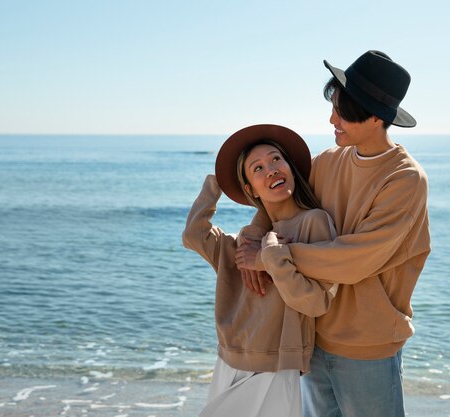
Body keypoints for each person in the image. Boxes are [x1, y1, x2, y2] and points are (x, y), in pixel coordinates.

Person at [236, 50, 431, 417]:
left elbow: (353, 260)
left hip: (367, 345)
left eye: (342, 112)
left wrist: (269, 258)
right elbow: (279, 202)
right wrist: (253, 237)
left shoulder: (404, 179)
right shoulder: (327, 161)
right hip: (312, 334)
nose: (332, 119)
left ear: (375, 117)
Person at [182, 124, 339, 417]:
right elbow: (193, 235)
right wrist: (217, 182)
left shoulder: (313, 223)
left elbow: (315, 302)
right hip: (229, 361)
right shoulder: (242, 243)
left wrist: (270, 258)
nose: (271, 170)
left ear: (291, 167)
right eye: (258, 168)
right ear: (249, 189)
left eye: (276, 159)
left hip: (277, 366)